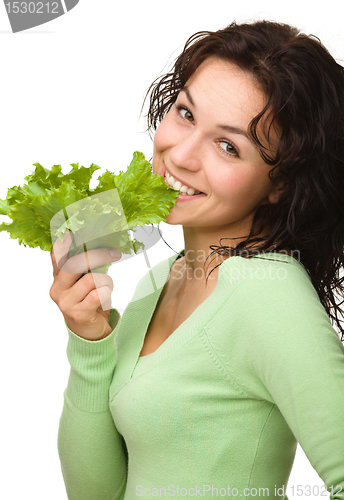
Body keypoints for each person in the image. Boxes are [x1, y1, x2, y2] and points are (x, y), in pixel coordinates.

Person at [50, 20, 344, 500]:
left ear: (280, 183)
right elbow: (97, 494)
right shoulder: (165, 277)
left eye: (228, 146)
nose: (181, 155)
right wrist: (89, 340)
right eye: (185, 113)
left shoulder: (267, 293)